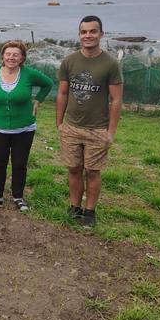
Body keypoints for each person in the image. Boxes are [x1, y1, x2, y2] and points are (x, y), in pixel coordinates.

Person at [56, 15, 123, 227]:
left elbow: (116, 99)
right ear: (79, 35)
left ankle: (90, 211)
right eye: (84, 32)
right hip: (72, 127)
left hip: (97, 129)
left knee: (93, 171)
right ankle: (74, 207)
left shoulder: (110, 64)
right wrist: (60, 123)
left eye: (93, 31)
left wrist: (110, 132)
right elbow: (63, 93)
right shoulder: (70, 61)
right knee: (73, 168)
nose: (88, 35)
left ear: (101, 34)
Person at [0, 40, 54, 212]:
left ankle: (18, 197)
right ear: (2, 56)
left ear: (22, 58)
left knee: (19, 163)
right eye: (8, 54)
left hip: (24, 128)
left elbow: (48, 84)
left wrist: (38, 100)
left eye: (16, 54)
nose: (11, 57)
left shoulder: (29, 74)